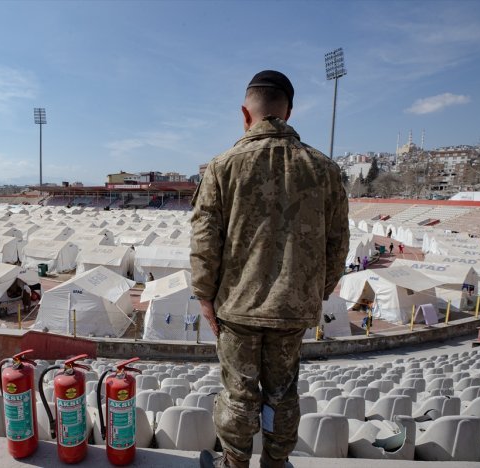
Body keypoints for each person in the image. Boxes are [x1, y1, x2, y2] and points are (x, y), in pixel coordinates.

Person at [192, 70, 349, 468]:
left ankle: (235, 463)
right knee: (283, 392)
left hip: (238, 306)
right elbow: (337, 243)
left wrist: (204, 297)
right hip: (292, 308)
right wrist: (317, 291)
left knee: (239, 394)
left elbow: (205, 242)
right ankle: (276, 464)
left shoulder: (222, 166)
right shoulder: (325, 170)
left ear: (247, 115)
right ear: (288, 113)